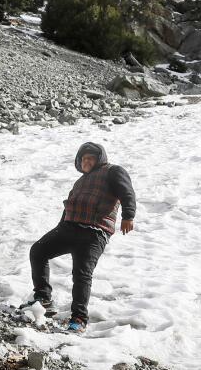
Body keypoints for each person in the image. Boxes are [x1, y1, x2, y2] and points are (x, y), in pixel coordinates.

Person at [23, 143, 136, 333]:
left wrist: (128, 216)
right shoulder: (80, 182)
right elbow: (69, 207)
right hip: (68, 228)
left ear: (99, 159)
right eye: (83, 159)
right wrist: (60, 228)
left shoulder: (113, 171)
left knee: (81, 274)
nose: (86, 161)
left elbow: (127, 192)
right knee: (38, 251)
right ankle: (43, 299)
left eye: (91, 158)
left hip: (94, 232)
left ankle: (79, 319)